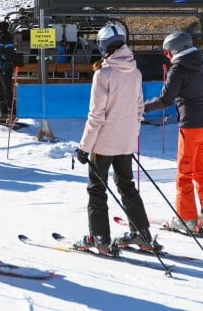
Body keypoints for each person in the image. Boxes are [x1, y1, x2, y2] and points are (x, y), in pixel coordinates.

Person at [73, 24, 160, 255]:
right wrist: (131, 134)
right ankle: (142, 233)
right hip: (126, 141)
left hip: (103, 143)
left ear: (103, 47)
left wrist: (84, 147)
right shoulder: (135, 71)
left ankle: (100, 238)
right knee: (126, 185)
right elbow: (139, 108)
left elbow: (96, 114)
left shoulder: (104, 74)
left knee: (97, 189)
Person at [143, 32, 203, 234]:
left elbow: (165, 100)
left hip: (191, 126)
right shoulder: (201, 64)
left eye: (167, 53)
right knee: (201, 170)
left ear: (173, 50)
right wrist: (195, 94)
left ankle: (187, 218)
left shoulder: (178, 68)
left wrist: (141, 107)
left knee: (184, 174)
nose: (167, 57)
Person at [0, 21, 16, 122]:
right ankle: (3, 112)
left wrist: (4, 68)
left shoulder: (7, 38)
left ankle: (11, 113)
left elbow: (9, 56)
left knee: (6, 91)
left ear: (1, 29)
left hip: (4, 69)